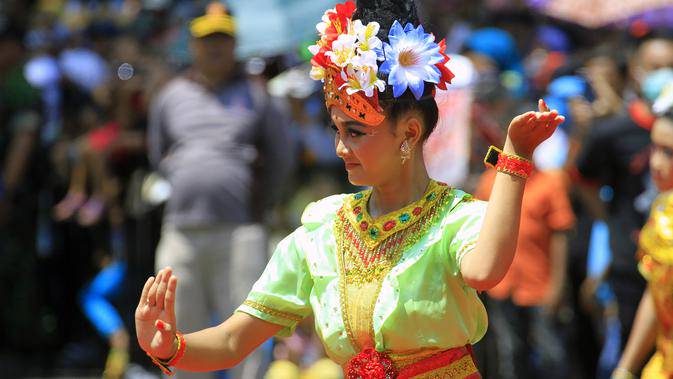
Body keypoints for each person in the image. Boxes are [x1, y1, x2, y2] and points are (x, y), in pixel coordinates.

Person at [136, 1, 564, 377]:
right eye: (337, 130)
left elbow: (484, 270)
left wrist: (514, 159)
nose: (340, 147)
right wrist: (171, 347)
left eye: (356, 132)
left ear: (409, 133)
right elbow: (233, 341)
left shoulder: (455, 218)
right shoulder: (323, 229)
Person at [146, 3, 294, 379]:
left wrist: (258, 200)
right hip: (181, 230)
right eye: (207, 39)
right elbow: (158, 156)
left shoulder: (258, 95)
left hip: (241, 229)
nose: (215, 47)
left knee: (247, 327)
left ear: (234, 44)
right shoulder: (170, 96)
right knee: (181, 331)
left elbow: (280, 157)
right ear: (192, 44)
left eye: (222, 38)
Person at [475, 160, 575, 379]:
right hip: (501, 286)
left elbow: (561, 235)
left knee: (551, 354)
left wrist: (557, 286)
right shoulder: (489, 182)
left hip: (539, 285)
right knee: (510, 352)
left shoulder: (549, 182)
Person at [611, 83, 673, 379]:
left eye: (671, 152)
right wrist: (625, 368)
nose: (657, 163)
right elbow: (656, 289)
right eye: (655, 148)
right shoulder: (663, 210)